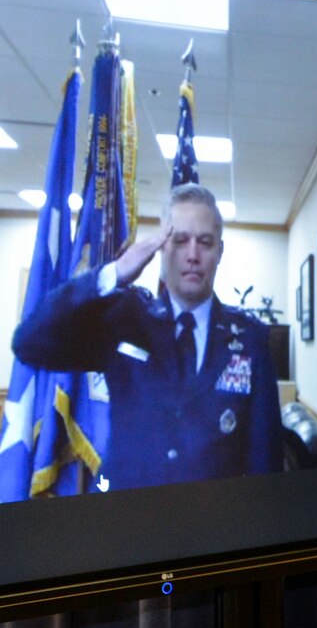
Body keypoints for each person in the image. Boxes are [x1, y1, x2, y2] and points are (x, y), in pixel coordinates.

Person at [13, 183, 282, 490]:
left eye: (205, 242)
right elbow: (29, 344)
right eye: (180, 240)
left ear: (219, 252)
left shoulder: (251, 339)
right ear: (160, 248)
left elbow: (266, 462)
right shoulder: (126, 319)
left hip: (214, 525)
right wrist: (112, 274)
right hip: (128, 521)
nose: (192, 254)